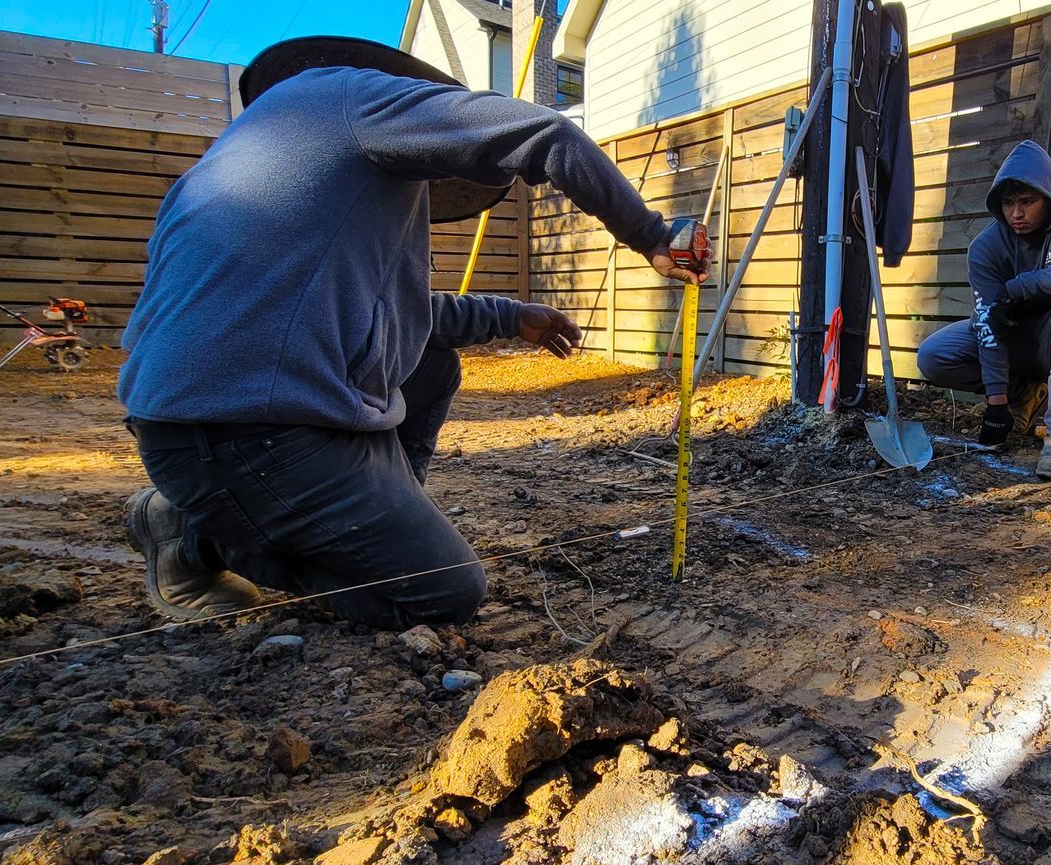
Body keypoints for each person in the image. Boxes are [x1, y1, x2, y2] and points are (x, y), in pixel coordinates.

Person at [115, 37, 702, 629]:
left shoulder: (250, 164)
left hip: (201, 421)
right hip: (242, 433)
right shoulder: (352, 95)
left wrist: (509, 317)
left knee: (432, 363)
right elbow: (546, 134)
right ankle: (194, 539)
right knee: (443, 593)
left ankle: (367, 517)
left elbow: (388, 313)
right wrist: (651, 235)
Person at [916, 140, 1051, 479]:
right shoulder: (986, 247)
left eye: (1027, 201)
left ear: (1049, 197)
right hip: (1015, 341)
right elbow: (988, 323)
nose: (1016, 214)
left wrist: (1017, 287)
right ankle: (1023, 394)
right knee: (934, 354)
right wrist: (997, 403)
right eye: (1008, 203)